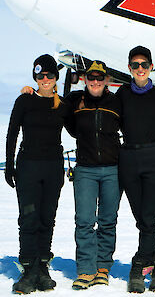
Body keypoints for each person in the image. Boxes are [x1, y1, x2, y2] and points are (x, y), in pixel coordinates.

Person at [21, 60, 122, 290]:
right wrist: (30, 92)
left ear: (106, 80)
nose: (95, 82)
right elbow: (50, 102)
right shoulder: (74, 101)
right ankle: (86, 269)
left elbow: (133, 124)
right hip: (85, 169)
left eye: (99, 77)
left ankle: (103, 268)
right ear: (85, 79)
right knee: (84, 221)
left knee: (108, 221)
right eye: (91, 77)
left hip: (112, 169)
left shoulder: (117, 101)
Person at [5, 54, 71, 294]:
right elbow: (12, 133)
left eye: (49, 75)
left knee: (47, 217)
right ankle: (28, 267)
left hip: (53, 167)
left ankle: (42, 266)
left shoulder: (62, 104)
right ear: (35, 77)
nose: (45, 79)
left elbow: (78, 127)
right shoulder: (24, 100)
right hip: (28, 166)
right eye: (40, 75)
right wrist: (10, 165)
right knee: (29, 218)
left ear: (56, 78)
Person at [115, 46, 155, 293]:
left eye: (144, 64)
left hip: (154, 157)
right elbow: (101, 108)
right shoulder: (121, 94)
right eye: (135, 65)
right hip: (129, 158)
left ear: (151, 67)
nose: (140, 69)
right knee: (143, 218)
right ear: (129, 68)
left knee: (150, 215)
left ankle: (140, 263)